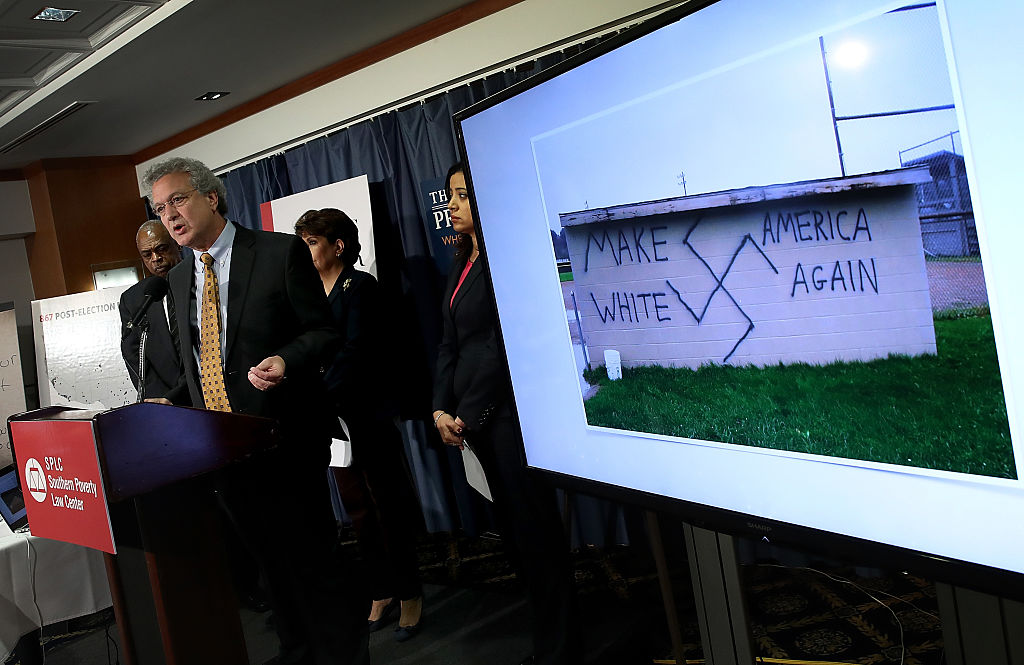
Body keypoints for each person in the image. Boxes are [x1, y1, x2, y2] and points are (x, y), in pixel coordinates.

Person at [142, 156, 368, 665]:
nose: (170, 216)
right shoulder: (179, 280)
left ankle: (343, 655)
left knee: (313, 562)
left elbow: (325, 334)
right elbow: (201, 365)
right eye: (160, 208)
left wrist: (286, 359)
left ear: (211, 197)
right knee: (269, 568)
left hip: (284, 438)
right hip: (222, 450)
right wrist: (172, 400)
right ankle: (299, 652)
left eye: (178, 200)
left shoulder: (277, 252)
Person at [431, 163, 581, 665]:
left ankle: (561, 645)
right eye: (451, 196)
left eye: (462, 196)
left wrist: (466, 413)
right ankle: (546, 634)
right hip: (472, 421)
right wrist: (439, 407)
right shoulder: (461, 261)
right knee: (514, 538)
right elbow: (449, 343)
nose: (452, 205)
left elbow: (502, 344)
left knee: (535, 536)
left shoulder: (503, 262)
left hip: (510, 420)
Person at [295, 208, 425, 641]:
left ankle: (409, 593)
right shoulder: (307, 293)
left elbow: (357, 351)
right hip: (331, 421)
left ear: (339, 245)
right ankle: (379, 590)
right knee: (357, 512)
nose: (305, 249)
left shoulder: (360, 287)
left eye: (312, 241)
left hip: (365, 414)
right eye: (303, 241)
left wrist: (321, 394)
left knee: (389, 507)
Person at [118, 220, 183, 400]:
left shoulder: (199, 280)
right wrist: (163, 398)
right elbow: (132, 352)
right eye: (147, 254)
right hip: (164, 403)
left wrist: (180, 394)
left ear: (177, 244)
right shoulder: (132, 299)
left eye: (161, 249)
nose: (155, 258)